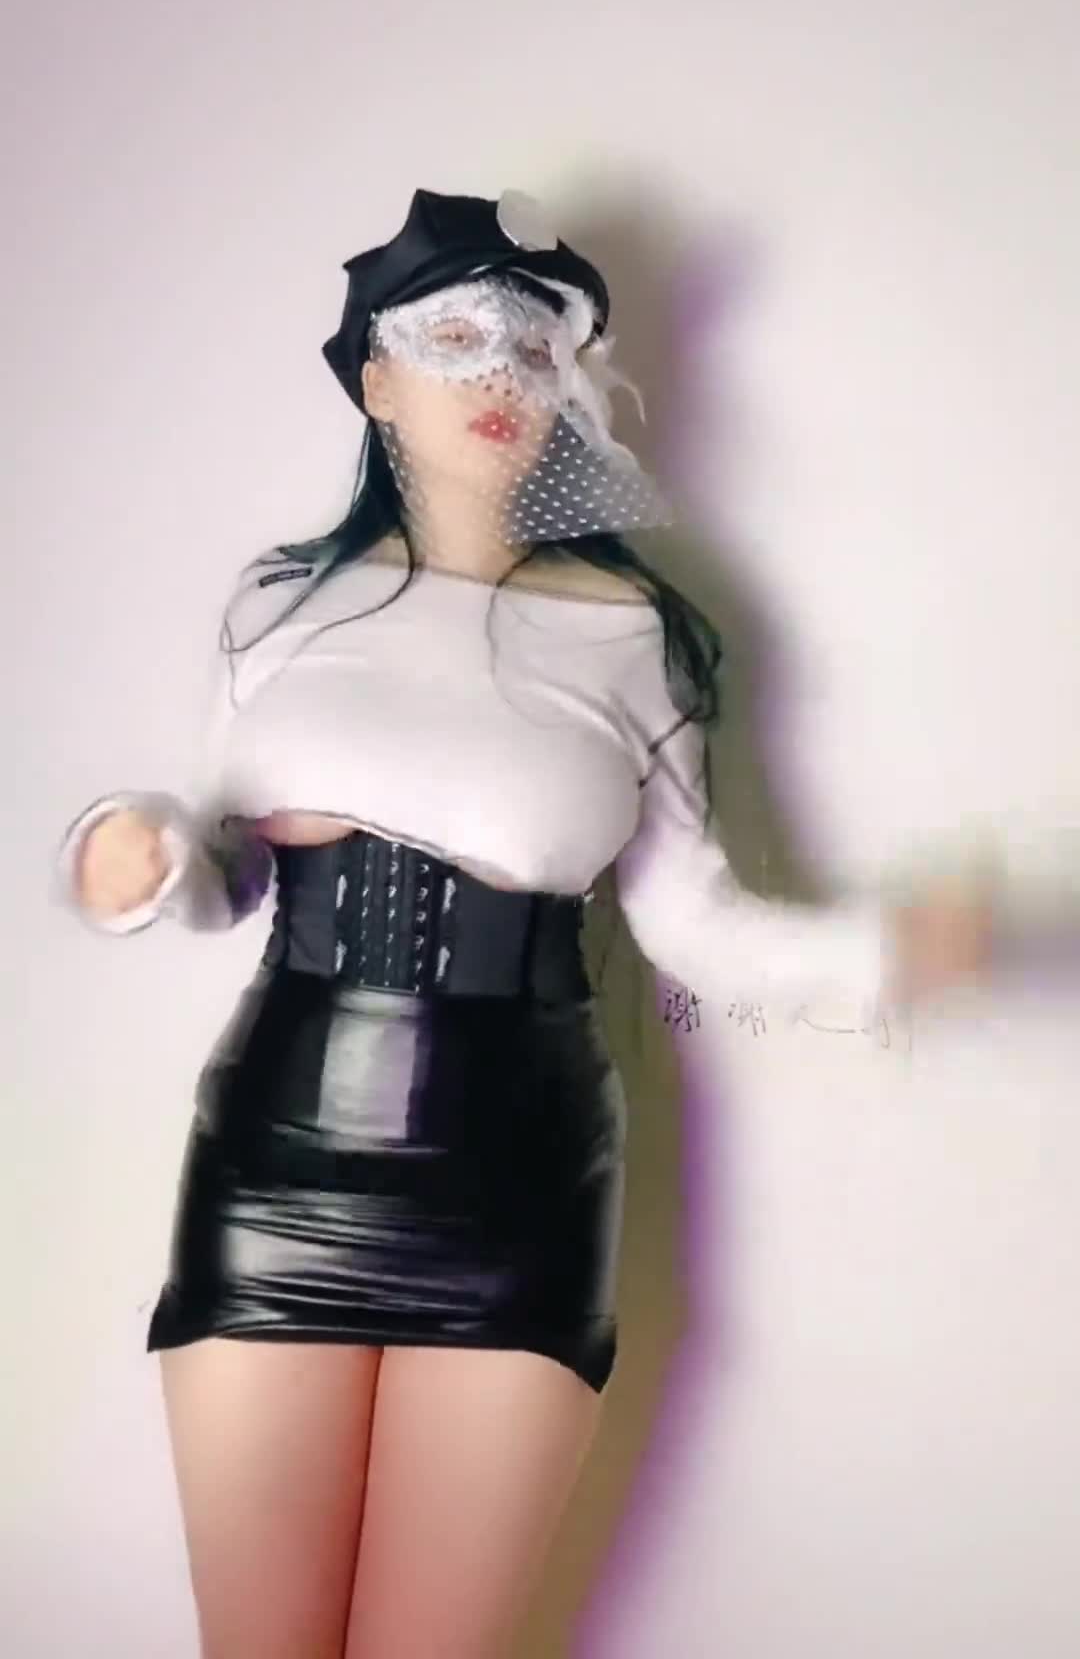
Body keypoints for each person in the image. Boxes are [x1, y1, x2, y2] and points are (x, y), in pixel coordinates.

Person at [54, 188, 994, 1659]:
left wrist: (880, 956)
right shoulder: (277, 606)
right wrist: (140, 855)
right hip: (271, 1161)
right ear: (377, 379)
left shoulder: (634, 636)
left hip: (520, 1177)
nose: (498, 373)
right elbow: (225, 869)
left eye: (534, 347)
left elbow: (696, 923)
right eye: (455, 340)